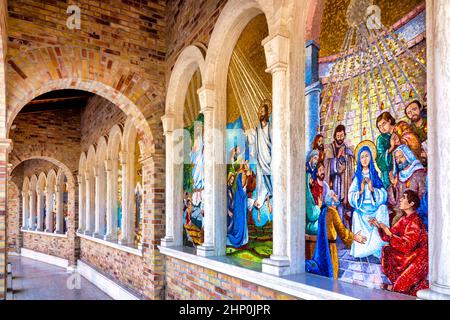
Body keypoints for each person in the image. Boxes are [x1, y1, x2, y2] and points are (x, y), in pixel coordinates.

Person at [306, 162, 367, 279]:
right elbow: (342, 231)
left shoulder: (323, 211)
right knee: (331, 275)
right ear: (331, 199)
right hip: (330, 249)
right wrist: (355, 237)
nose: (336, 196)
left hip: (322, 247)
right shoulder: (332, 212)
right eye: (333, 195)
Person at [370, 190, 429, 296]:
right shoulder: (404, 219)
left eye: (404, 197)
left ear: (411, 203)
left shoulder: (415, 221)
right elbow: (391, 234)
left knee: (401, 288)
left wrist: (390, 235)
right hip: (408, 256)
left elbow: (407, 245)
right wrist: (380, 227)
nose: (400, 199)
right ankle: (396, 285)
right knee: (387, 250)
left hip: (418, 259)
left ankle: (397, 287)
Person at [348, 142, 389, 259]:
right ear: (359, 160)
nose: (364, 159)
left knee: (383, 208)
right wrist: (360, 191)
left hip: (374, 208)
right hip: (362, 209)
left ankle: (378, 248)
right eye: (362, 157)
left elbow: (384, 195)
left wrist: (372, 189)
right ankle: (361, 250)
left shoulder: (375, 175)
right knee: (356, 214)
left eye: (367, 156)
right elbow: (351, 196)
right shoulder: (357, 177)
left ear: (371, 157)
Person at [324, 125, 355, 229]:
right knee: (334, 207)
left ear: (344, 135)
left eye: (342, 135)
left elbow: (350, 169)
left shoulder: (348, 150)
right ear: (335, 136)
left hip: (344, 186)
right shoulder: (330, 149)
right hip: (334, 184)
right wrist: (338, 158)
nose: (340, 138)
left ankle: (342, 231)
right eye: (338, 136)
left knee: (342, 208)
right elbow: (330, 168)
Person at [388, 145, 427, 225]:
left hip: (416, 212)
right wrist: (394, 187)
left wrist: (411, 208)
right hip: (401, 212)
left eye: (401, 157)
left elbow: (423, 195)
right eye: (396, 158)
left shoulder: (418, 172)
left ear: (408, 155)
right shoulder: (398, 176)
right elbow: (394, 202)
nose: (398, 160)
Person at [247, 101, 273, 214]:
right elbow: (254, 142)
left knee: (269, 182)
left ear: (267, 113)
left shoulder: (271, 127)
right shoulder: (257, 129)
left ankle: (263, 198)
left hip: (269, 160)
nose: (261, 114)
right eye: (259, 112)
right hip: (260, 161)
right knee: (260, 181)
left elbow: (273, 144)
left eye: (263, 111)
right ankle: (260, 200)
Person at [227, 163, 249, 248]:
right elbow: (242, 186)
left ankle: (243, 240)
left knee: (241, 219)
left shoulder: (241, 174)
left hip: (240, 200)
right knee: (240, 219)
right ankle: (239, 239)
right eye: (246, 164)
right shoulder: (242, 174)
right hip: (240, 200)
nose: (247, 165)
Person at [376, 112, 396, 189]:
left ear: (389, 121)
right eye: (379, 127)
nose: (382, 128)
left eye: (384, 124)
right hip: (387, 171)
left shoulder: (397, 131)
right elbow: (380, 158)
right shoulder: (380, 139)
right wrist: (391, 148)